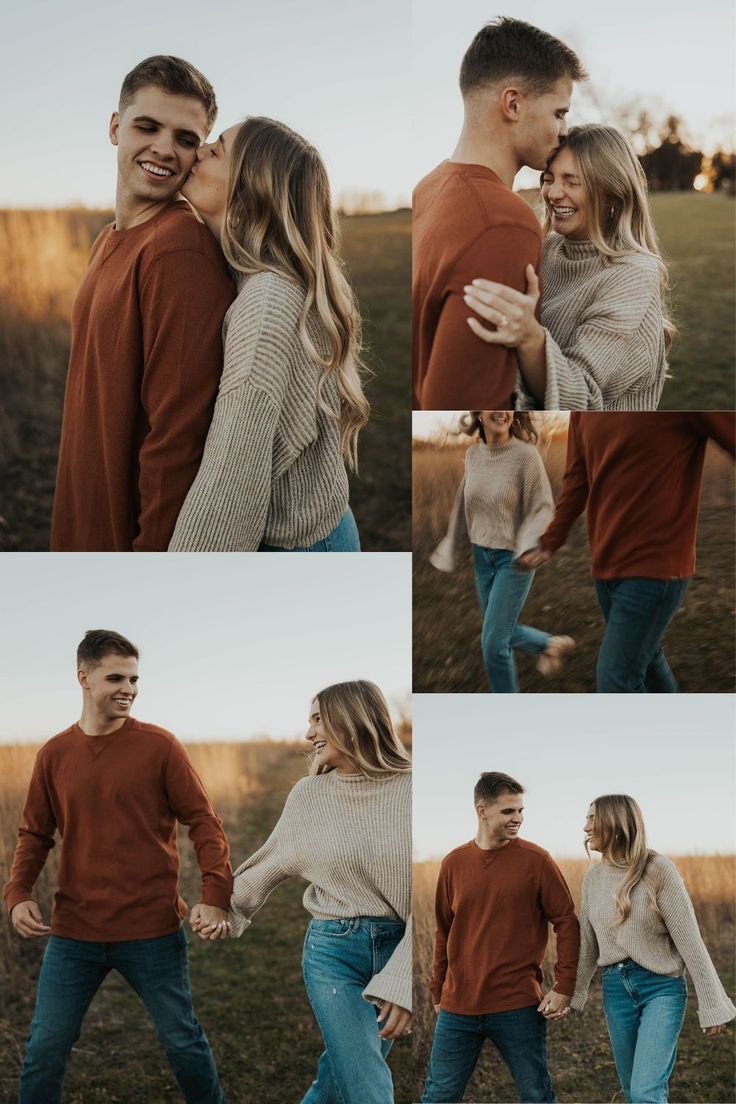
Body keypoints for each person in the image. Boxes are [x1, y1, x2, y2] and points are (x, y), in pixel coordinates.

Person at [3, 630, 232, 1104]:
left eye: (133, 678)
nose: (128, 687)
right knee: (45, 1049)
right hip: (73, 933)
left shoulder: (160, 746)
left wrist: (215, 896)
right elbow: (34, 834)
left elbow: (203, 823)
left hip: (151, 931)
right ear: (83, 678)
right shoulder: (54, 754)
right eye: (115, 677)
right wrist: (19, 892)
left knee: (181, 1040)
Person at [51, 56, 235, 552]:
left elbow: (177, 440)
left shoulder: (178, 252)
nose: (163, 149)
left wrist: (150, 557)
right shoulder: (109, 239)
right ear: (116, 127)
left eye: (185, 139)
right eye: (147, 126)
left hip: (123, 537)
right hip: (81, 518)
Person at [168, 117, 368, 552]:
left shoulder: (266, 304)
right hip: (327, 533)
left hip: (303, 550)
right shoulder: (268, 281)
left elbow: (232, 478)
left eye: (217, 149)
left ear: (249, 191)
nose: (199, 149)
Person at [209, 681, 410, 1104]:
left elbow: (437, 907)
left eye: (317, 719)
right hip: (332, 953)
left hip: (401, 949)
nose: (308, 734)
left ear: (351, 721)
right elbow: (271, 862)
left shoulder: (414, 791)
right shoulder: (310, 795)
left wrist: (401, 979)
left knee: (339, 1078)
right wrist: (219, 908)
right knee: (364, 1081)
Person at [412, 17, 586, 410]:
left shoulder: (427, 187)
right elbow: (458, 401)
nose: (563, 130)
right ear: (513, 104)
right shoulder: (504, 223)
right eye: (559, 113)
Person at [518, 412, 736, 691]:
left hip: (655, 566)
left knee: (616, 680)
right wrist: (550, 540)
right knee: (647, 659)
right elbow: (578, 477)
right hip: (606, 563)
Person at [463, 124, 673, 410]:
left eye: (572, 182)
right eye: (549, 179)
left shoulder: (632, 274)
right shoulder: (546, 249)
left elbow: (580, 399)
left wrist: (530, 338)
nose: (553, 193)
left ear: (612, 193)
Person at [421, 772, 580, 1104]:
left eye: (521, 811)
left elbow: (566, 921)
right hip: (458, 1007)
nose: (518, 819)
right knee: (438, 1096)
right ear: (482, 811)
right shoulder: (453, 864)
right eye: (509, 811)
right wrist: (438, 988)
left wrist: (564, 985)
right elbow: (443, 930)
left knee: (536, 1094)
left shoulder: (536, 861)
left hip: (517, 1004)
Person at [570, 794, 736, 1103]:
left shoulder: (657, 868)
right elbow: (587, 944)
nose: (585, 827)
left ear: (614, 822)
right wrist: (572, 993)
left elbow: (689, 939)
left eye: (592, 819)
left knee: (647, 1092)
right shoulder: (592, 878)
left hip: (660, 988)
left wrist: (712, 1002)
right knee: (633, 1091)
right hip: (616, 990)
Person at [430, 410, 574, 692]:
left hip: (513, 558)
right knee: (498, 631)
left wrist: (530, 545)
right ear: (478, 414)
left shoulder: (525, 455)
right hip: (481, 556)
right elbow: (464, 498)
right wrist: (451, 542)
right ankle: (549, 644)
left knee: (493, 644)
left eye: (507, 405)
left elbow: (542, 506)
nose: (502, 411)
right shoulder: (473, 455)